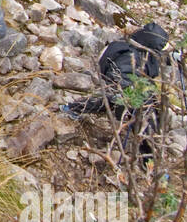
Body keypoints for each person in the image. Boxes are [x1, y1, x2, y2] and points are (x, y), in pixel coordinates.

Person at [62, 22, 172, 150]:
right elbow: (119, 82)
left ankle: (73, 108)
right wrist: (135, 95)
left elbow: (159, 55)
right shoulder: (130, 57)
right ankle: (149, 158)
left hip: (126, 90)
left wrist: (173, 58)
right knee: (140, 117)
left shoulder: (135, 47)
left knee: (112, 99)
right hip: (128, 93)